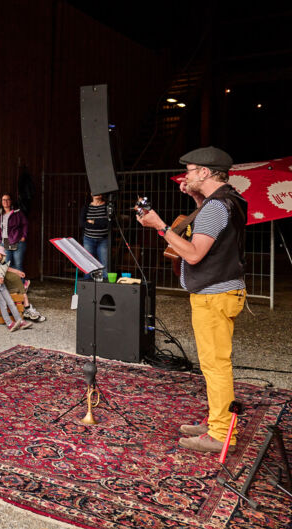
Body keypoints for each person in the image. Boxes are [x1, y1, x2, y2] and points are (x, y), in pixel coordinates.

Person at [136, 146, 246, 453]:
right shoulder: (229, 200)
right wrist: (197, 200)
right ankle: (216, 420)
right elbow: (214, 232)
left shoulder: (215, 208)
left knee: (215, 366)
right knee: (214, 364)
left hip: (215, 295)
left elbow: (195, 253)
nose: (186, 175)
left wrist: (160, 227)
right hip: (222, 292)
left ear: (205, 173)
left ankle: (221, 433)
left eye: (191, 169)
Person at [0, 218, 44, 322]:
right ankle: (23, 310)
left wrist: (17, 271)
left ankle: (27, 307)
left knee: (15, 277)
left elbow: (2, 264)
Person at [0, 245, 31, 331]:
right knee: (3, 303)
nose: (0, 257)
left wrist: (17, 271)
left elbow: (7, 269)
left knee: (11, 302)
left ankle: (20, 321)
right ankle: (9, 323)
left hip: (2, 286)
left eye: (1, 255)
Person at [0, 194, 29, 272]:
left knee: (18, 264)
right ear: (1, 202)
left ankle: (20, 283)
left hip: (17, 240)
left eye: (7, 199)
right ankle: (9, 284)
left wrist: (24, 236)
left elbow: (25, 224)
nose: (5, 201)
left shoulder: (17, 213)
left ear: (11, 201)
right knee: (7, 264)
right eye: (3, 200)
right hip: (5, 241)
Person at [80, 194, 110, 275]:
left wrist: (92, 221)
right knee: (87, 264)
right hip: (88, 239)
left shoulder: (106, 206)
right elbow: (82, 223)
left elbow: (107, 222)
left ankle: (104, 284)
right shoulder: (86, 207)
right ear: (91, 194)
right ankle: (88, 284)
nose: (97, 193)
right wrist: (99, 223)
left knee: (104, 264)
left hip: (103, 239)